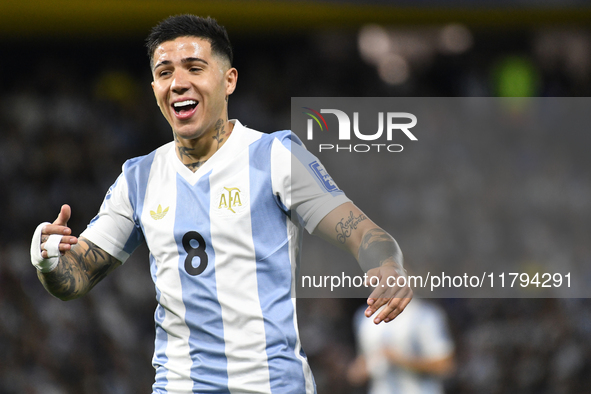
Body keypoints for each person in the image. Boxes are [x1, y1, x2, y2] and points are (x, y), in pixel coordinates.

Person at [30, 14, 412, 394]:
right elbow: (74, 277)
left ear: (228, 80)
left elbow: (362, 232)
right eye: (165, 73)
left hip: (271, 386)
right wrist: (47, 258)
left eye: (194, 68)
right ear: (154, 88)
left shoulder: (274, 155)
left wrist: (387, 265)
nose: (178, 83)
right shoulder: (139, 177)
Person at [347, 298, 455, 394]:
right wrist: (356, 372)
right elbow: (363, 361)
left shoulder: (426, 314)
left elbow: (445, 365)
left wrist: (400, 360)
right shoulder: (365, 316)